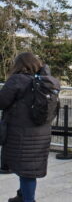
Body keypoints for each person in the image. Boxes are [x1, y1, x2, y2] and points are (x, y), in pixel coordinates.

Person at [0, 52, 60, 202]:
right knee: (29, 168)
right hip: (41, 134)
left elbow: (2, 102)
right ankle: (21, 196)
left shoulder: (17, 80)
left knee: (26, 172)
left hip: (21, 134)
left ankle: (28, 200)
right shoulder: (46, 82)